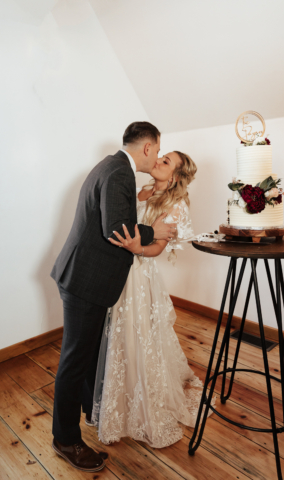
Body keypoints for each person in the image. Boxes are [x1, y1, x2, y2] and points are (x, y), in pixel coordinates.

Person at [50, 121, 177, 472]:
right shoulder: (120, 173)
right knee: (75, 360)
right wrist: (157, 230)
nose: (157, 158)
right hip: (84, 280)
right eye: (158, 150)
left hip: (82, 275)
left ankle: (89, 415)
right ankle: (65, 440)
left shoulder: (112, 165)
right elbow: (116, 229)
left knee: (86, 354)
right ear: (148, 148)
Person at [89, 150, 216, 448]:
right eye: (161, 157)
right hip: (114, 269)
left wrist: (137, 249)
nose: (157, 161)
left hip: (139, 273)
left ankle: (142, 402)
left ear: (174, 177)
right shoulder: (138, 190)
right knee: (113, 331)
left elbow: (158, 248)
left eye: (165, 161)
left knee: (137, 331)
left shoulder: (176, 204)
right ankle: (112, 395)